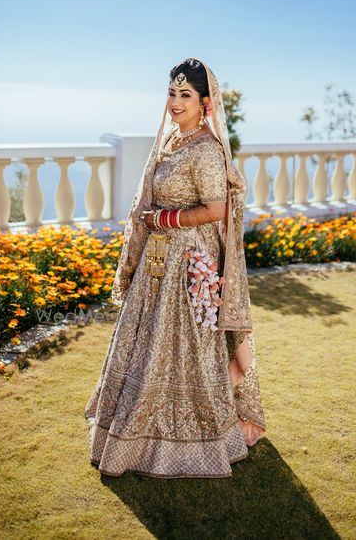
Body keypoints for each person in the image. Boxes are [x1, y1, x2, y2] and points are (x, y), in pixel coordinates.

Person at [85, 58, 267, 478]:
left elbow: (217, 209)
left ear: (205, 102)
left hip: (187, 267)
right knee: (144, 343)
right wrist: (152, 225)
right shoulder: (171, 143)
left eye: (185, 95)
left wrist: (163, 220)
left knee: (183, 348)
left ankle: (192, 437)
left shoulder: (205, 148)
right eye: (172, 93)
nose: (176, 102)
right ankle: (133, 428)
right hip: (156, 262)